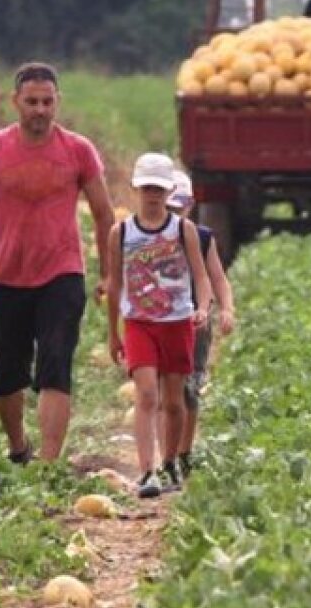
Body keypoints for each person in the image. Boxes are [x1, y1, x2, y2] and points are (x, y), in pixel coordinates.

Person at [0, 61, 115, 465]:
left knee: (55, 364)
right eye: (32, 102)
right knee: (6, 373)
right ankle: (19, 447)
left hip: (62, 272)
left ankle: (48, 465)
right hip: (5, 276)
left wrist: (109, 271)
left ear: (58, 102)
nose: (40, 109)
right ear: (15, 102)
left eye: (47, 102)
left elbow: (105, 213)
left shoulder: (78, 150)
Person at [106, 153, 212, 498]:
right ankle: (147, 471)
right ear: (137, 188)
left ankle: (168, 462)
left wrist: (203, 307)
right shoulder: (121, 233)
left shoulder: (184, 230)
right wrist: (112, 332)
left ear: (169, 192)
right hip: (139, 323)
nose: (153, 194)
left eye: (159, 189)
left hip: (178, 321)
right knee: (147, 393)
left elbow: (200, 274)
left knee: (174, 401)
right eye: (147, 187)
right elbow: (114, 285)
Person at [163, 170, 236, 479]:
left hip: (194, 323)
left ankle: (184, 453)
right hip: (157, 321)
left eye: (180, 209)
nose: (175, 215)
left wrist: (226, 309)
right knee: (159, 391)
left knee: (189, 389)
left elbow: (217, 277)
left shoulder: (202, 237)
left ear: (190, 205)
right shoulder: (144, 237)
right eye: (170, 209)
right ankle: (161, 455)